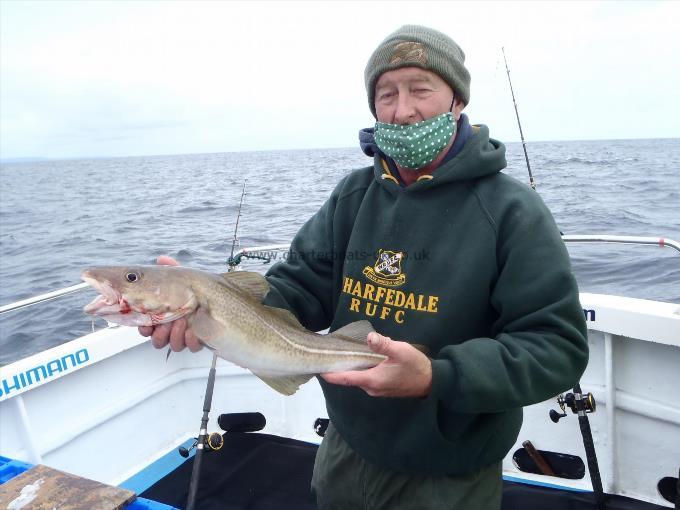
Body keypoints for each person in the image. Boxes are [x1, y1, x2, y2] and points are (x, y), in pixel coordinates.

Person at [141, 25, 588, 510]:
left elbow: (556, 347)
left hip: (450, 471)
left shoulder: (511, 212)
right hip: (346, 450)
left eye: (421, 89)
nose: (403, 109)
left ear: (457, 99)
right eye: (386, 94)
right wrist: (210, 302)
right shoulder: (354, 196)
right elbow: (298, 289)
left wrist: (435, 376)